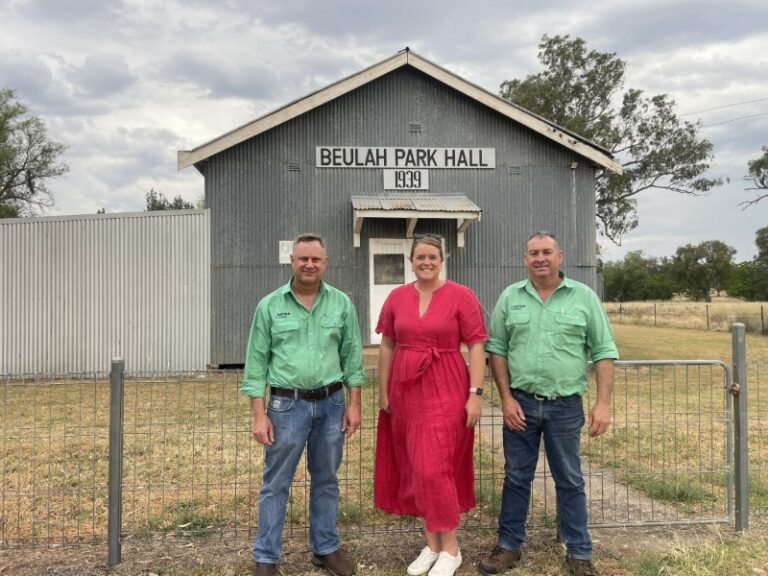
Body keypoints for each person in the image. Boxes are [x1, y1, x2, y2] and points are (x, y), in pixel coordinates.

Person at [479, 231, 618, 576]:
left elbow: (603, 350)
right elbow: (497, 350)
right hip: (520, 405)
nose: (540, 258)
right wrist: (506, 399)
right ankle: (508, 546)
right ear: (525, 260)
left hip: (565, 406)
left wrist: (603, 403)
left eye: (546, 252)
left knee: (569, 479)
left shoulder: (584, 297)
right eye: (533, 253)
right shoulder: (511, 297)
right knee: (516, 477)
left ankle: (579, 552)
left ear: (560, 257)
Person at [240, 233, 366, 576]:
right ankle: (266, 556)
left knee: (326, 479)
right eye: (303, 259)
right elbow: (256, 364)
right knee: (276, 483)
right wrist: (258, 414)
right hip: (286, 407)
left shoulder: (341, 304)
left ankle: (325, 548)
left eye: (316, 259)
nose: (309, 265)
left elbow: (352, 358)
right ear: (292, 261)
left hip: (331, 405)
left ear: (325, 263)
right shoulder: (270, 306)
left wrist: (354, 404)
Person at [374, 235, 488, 576]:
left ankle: (451, 549)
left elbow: (477, 345)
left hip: (448, 388)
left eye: (432, 256)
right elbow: (387, 345)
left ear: (442, 260)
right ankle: (432, 545)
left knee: (434, 468)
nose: (426, 262)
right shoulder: (396, 297)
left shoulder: (461, 296)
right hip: (406, 392)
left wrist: (476, 393)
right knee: (414, 466)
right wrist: (383, 390)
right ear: (411, 261)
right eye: (420, 257)